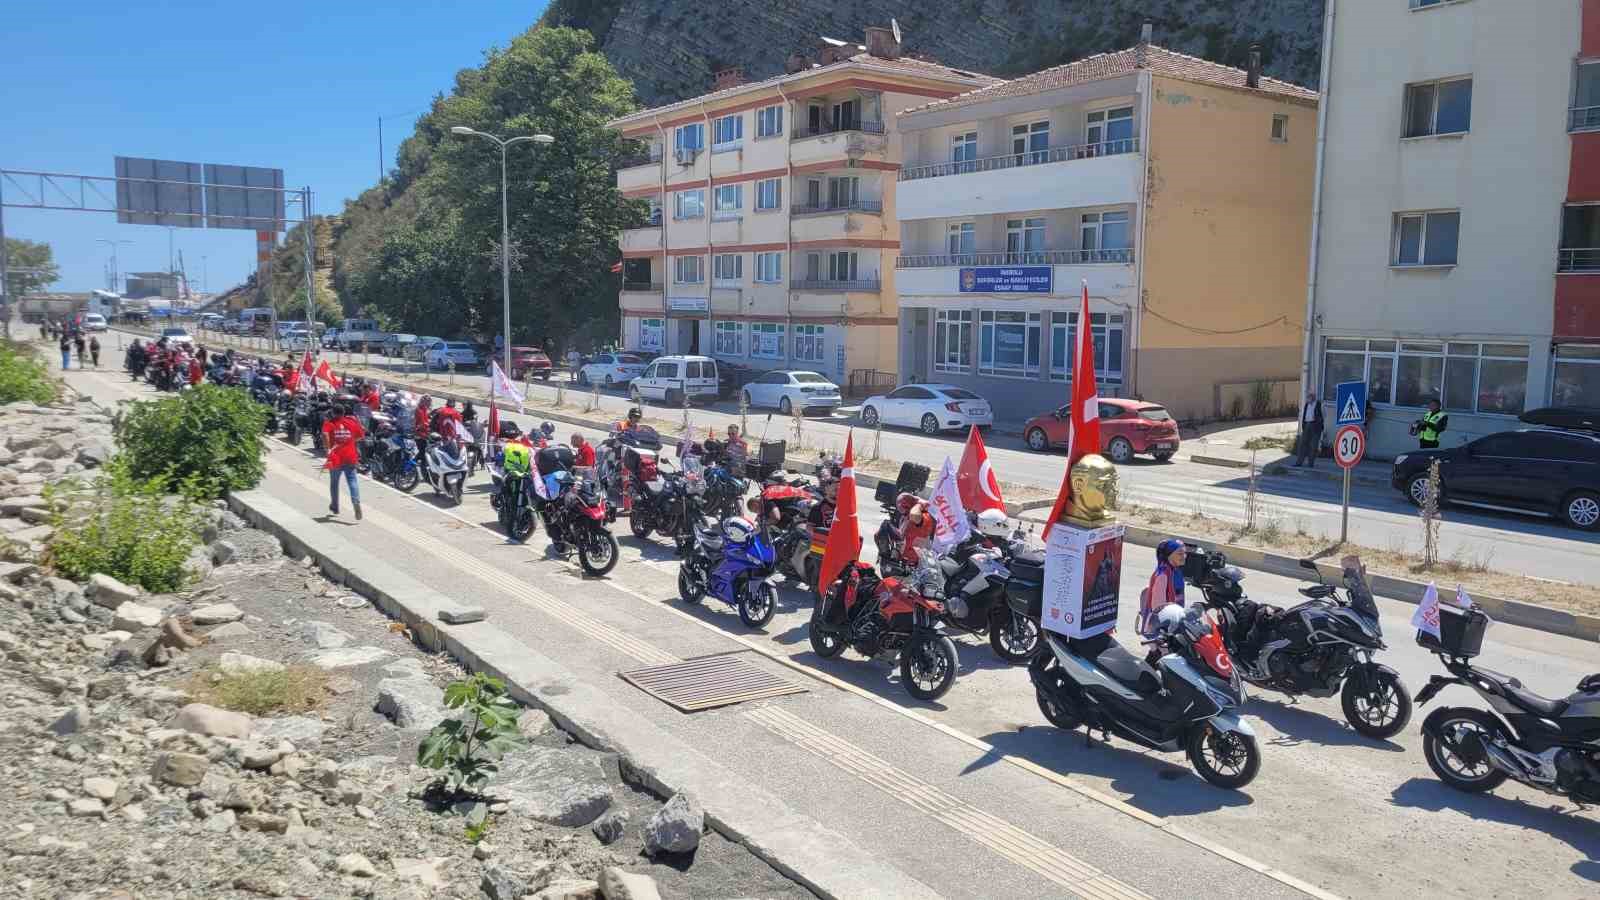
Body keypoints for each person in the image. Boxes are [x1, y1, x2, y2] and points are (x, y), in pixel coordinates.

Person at [322, 400, 366, 520]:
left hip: (335, 457)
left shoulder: (329, 423)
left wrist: (328, 448)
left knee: (334, 483)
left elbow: (325, 435)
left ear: (333, 412)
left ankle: (335, 506)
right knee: (352, 481)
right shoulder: (351, 422)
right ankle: (356, 502)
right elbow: (361, 436)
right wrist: (349, 440)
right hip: (350, 456)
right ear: (344, 412)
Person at [1137, 539, 1187, 640]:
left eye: (1184, 553)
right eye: (1180, 554)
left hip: (1174, 617)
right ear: (1169, 555)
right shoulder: (1163, 575)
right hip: (1163, 624)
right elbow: (1157, 607)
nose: (1184, 556)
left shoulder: (1176, 571)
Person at [898, 494, 934, 568]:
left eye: (905, 506)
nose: (902, 510)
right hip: (904, 560)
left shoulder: (924, 516)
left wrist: (919, 504)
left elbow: (914, 515)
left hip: (917, 564)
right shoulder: (905, 517)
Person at [1292, 391, 1323, 468]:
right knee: (1303, 444)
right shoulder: (1307, 405)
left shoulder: (1319, 404)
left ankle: (1310, 463)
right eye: (1308, 397)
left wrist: (1319, 425)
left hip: (1315, 426)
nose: (1308, 399)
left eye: (1310, 397)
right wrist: (1303, 425)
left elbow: (1323, 416)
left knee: (1313, 445)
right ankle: (1299, 462)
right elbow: (1304, 415)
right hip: (1307, 424)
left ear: (1313, 397)